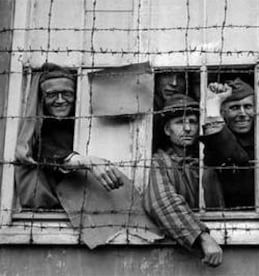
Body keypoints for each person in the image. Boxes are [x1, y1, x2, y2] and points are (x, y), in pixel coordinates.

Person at [15, 62, 161, 248]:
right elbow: (44, 150)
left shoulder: (77, 126)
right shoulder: (38, 132)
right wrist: (88, 161)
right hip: (46, 219)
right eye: (52, 95)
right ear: (42, 98)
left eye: (67, 94)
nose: (60, 100)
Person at [144, 94, 223, 267]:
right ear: (167, 130)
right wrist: (202, 236)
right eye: (180, 122)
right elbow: (162, 201)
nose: (187, 128)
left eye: (192, 122)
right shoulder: (159, 161)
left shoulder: (206, 160)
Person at [201, 78, 255, 209]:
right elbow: (230, 152)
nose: (242, 113)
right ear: (222, 113)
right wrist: (213, 104)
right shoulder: (216, 143)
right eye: (234, 108)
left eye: (248, 107)